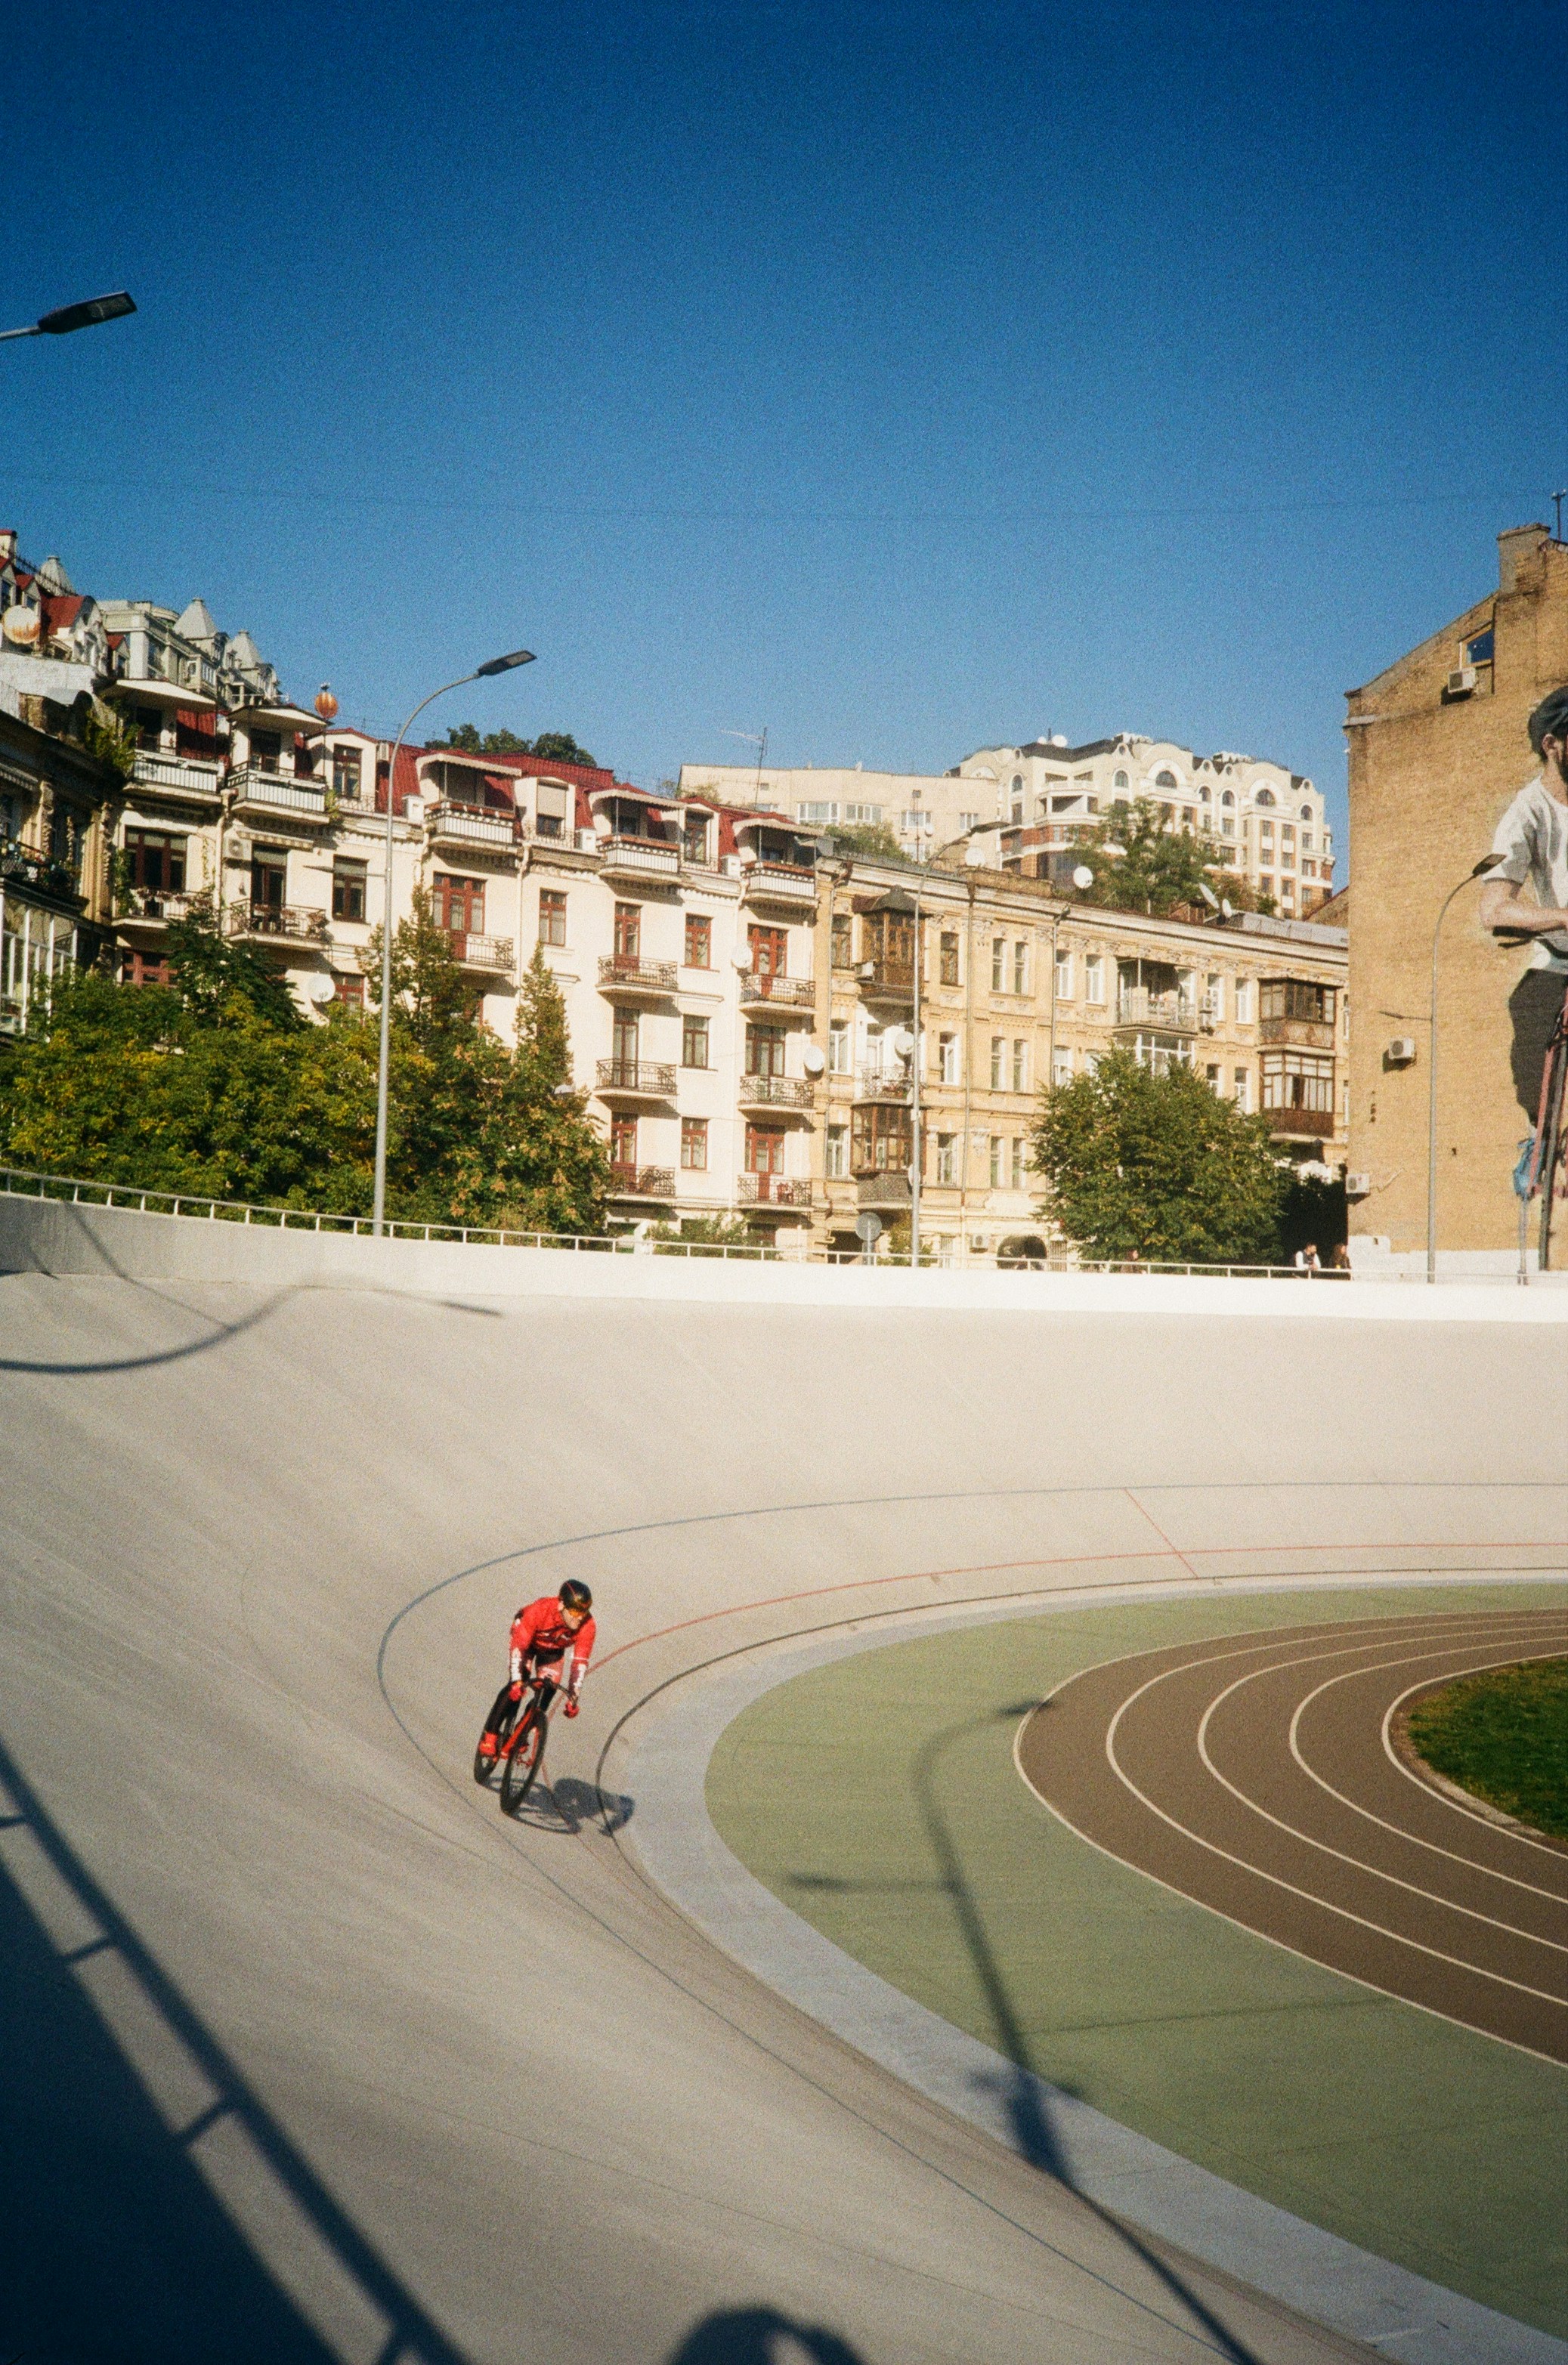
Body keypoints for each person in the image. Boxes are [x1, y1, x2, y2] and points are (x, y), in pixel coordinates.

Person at [1478, 684, 1568, 1123]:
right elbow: (1494, 909)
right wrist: (1563, 918)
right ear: (1552, 745)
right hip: (1558, 964)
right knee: (1534, 1065)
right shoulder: (1529, 810)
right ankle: (1546, 1158)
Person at [475, 1579, 596, 1769]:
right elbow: (519, 1647)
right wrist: (516, 1681)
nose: (579, 1618)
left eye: (583, 1612)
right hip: (525, 1640)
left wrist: (574, 1697)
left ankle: (521, 1732)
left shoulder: (588, 1626)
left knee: (549, 1689)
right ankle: (490, 1734)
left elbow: (579, 1664)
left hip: (552, 1650)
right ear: (561, 1604)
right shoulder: (540, 1610)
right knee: (517, 1685)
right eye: (574, 1612)